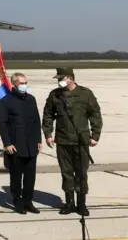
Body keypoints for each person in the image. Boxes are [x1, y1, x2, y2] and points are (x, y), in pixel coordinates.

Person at [42, 67, 102, 216]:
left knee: (81, 173)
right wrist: (48, 134)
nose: (59, 81)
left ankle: (82, 203)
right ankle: (69, 203)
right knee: (66, 173)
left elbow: (95, 115)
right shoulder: (55, 95)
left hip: (81, 141)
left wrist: (95, 135)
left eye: (61, 79)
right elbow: (48, 115)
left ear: (69, 78)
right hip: (62, 140)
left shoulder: (85, 94)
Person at [0, 72, 42, 214]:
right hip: (16, 146)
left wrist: (38, 140)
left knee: (30, 177)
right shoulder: (6, 101)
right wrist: (7, 143)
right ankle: (18, 202)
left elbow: (36, 121)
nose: (24, 86)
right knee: (16, 177)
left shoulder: (31, 99)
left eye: (25, 83)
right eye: (22, 83)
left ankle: (28, 201)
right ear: (14, 84)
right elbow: (2, 124)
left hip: (31, 145)